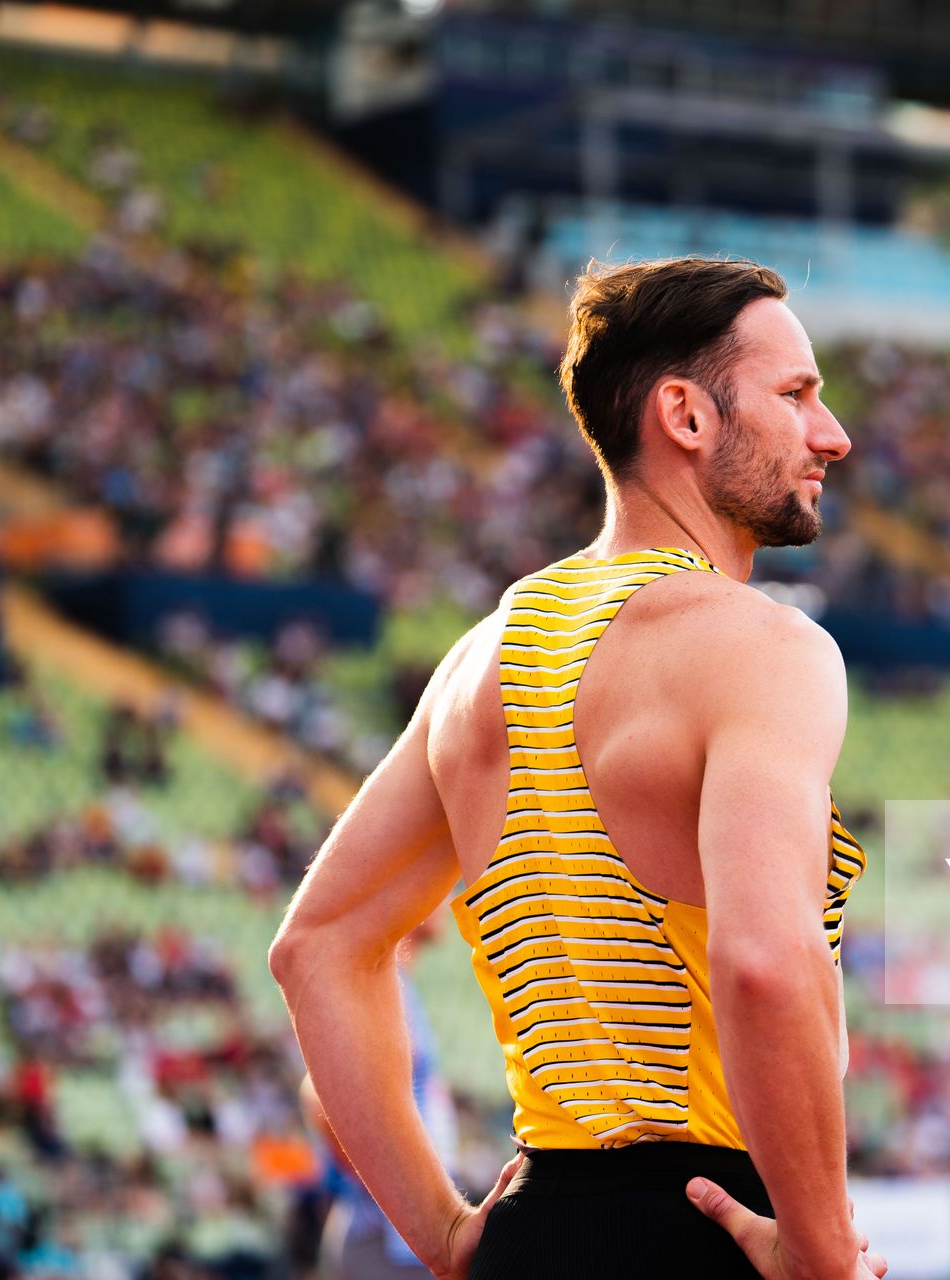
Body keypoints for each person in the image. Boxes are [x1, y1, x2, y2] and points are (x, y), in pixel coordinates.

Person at [269, 257, 883, 1280]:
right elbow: (766, 963)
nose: (833, 434)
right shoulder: (764, 648)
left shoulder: (480, 664)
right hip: (711, 1221)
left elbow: (318, 946)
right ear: (685, 415)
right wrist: (819, 1247)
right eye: (796, 394)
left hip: (532, 1226)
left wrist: (451, 1232)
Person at [300, 920, 458, 1280]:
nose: (448, 897)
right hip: (387, 1242)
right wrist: (389, 1189)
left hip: (399, 1240)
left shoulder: (396, 980)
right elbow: (320, 1094)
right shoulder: (380, 979)